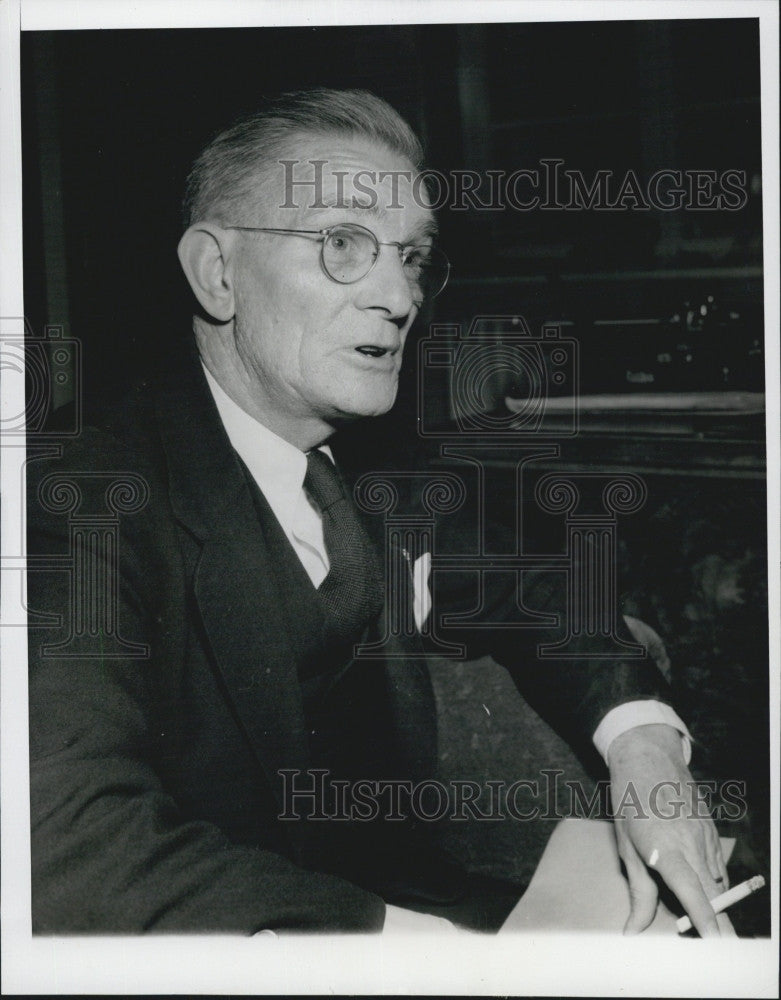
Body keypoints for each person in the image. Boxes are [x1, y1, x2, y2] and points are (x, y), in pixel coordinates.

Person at [26, 88, 731, 936]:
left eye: (411, 256)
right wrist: (409, 951)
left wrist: (643, 749)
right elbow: (62, 844)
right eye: (343, 245)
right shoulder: (81, 507)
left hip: (433, 909)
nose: (399, 298)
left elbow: (542, 591)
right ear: (218, 273)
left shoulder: (377, 466)